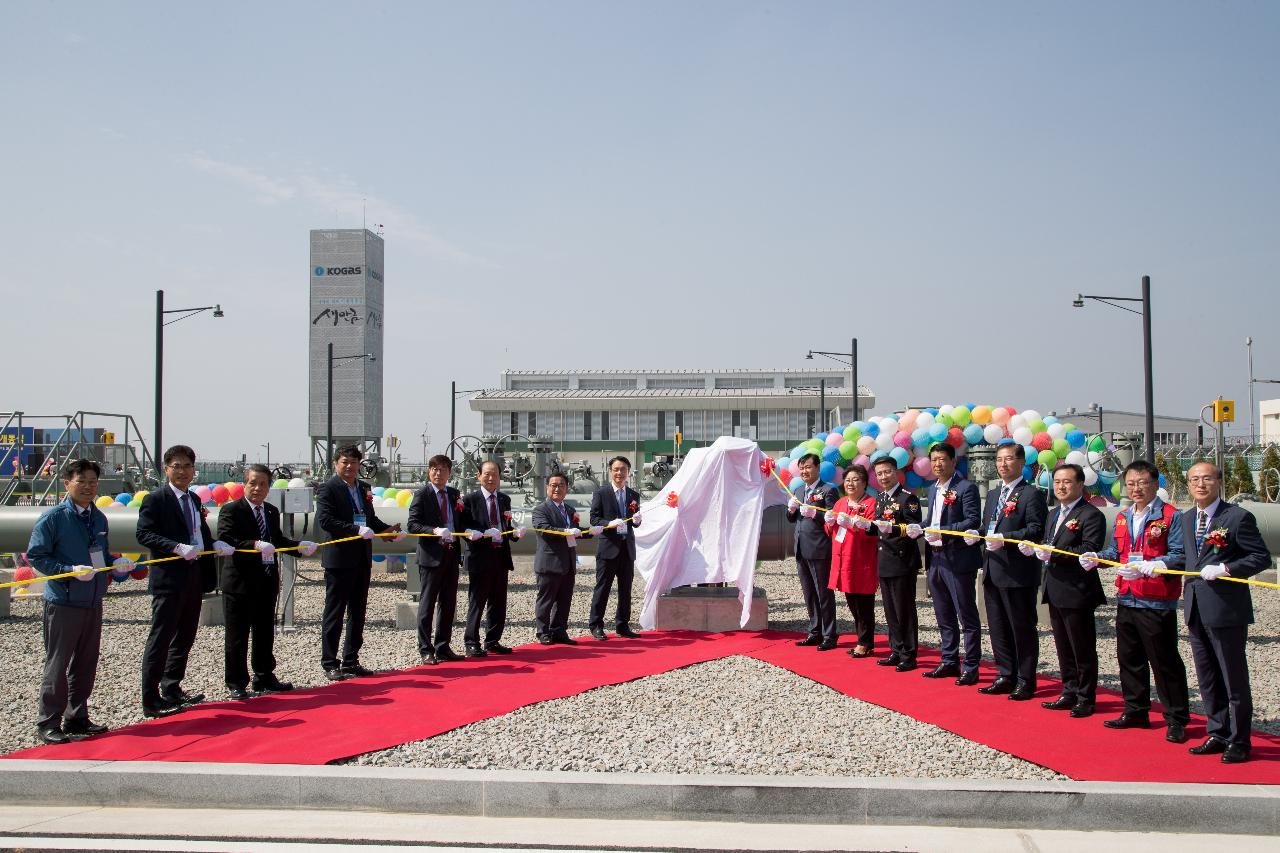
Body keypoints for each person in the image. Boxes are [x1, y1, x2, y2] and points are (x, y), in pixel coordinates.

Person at [1168, 462, 1271, 763]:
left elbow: (1260, 557)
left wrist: (1227, 568)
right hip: (1195, 606)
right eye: (1194, 479)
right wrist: (1161, 566)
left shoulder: (1237, 517)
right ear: (1188, 484)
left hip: (1226, 610)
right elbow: (1186, 559)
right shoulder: (1187, 519)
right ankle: (1217, 731)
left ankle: (1239, 740)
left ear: (1219, 481)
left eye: (1207, 478)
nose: (1200, 484)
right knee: (1208, 676)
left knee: (1233, 677)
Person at [1081, 460, 1190, 741]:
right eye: (1131, 483)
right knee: (1129, 659)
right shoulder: (1124, 515)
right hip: (1127, 597)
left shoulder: (1171, 516)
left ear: (1155, 485)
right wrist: (1097, 559)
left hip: (1156, 600)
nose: (1136, 488)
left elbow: (1180, 554)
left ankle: (1176, 718)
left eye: (1142, 482)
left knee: (1164, 661)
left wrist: (1159, 564)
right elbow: (1117, 552)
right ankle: (1136, 710)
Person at [26, 459, 134, 744]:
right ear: (67, 483)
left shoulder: (98, 518)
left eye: (92, 482)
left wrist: (115, 565)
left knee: (86, 662)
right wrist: (67, 572)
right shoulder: (54, 518)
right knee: (57, 663)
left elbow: (101, 554)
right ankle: (48, 721)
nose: (88, 487)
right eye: (81, 481)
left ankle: (77, 716)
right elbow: (36, 557)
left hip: (92, 600)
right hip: (64, 601)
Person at [136, 444, 229, 717]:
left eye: (187, 466)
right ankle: (150, 698)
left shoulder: (194, 500)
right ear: (166, 469)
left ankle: (172, 686)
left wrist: (215, 543)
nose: (182, 471)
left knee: (185, 636)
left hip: (193, 576)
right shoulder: (156, 499)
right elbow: (144, 534)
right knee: (161, 638)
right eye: (176, 466)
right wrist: (175, 547)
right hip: (168, 578)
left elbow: (197, 534)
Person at [216, 464, 317, 699]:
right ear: (244, 484)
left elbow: (277, 540)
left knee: (264, 632)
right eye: (253, 483)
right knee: (237, 635)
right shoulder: (231, 510)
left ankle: (264, 677)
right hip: (239, 583)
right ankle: (236, 682)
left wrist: (299, 547)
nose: (257, 488)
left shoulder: (270, 511)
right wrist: (254, 544)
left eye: (263, 484)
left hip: (266, 580)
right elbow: (227, 538)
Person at [314, 444, 402, 681]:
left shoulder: (363, 488)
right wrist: (355, 529)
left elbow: (370, 518)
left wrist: (387, 531)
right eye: (345, 462)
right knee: (334, 613)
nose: (350, 466)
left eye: (354, 462)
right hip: (339, 559)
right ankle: (330, 662)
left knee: (358, 612)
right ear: (336, 463)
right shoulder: (328, 489)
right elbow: (326, 521)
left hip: (362, 558)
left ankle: (351, 660)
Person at [1027, 463, 1105, 718]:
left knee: (1081, 646)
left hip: (1077, 589)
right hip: (1055, 586)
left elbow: (1089, 549)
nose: (1061, 486)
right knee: (1062, 645)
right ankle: (1069, 689)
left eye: (1067, 482)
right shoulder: (1053, 514)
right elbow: (1049, 543)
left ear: (1080, 485)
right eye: (1057, 482)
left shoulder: (1091, 514)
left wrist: (1055, 554)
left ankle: (1086, 696)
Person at [976, 444, 1046, 701]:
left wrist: (1006, 538)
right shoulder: (994, 495)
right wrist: (979, 534)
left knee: (1022, 628)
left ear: (1020, 462)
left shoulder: (1031, 494)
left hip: (1018, 572)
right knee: (997, 626)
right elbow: (987, 526)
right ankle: (1005, 674)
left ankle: (1026, 680)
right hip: (993, 569)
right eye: (999, 459)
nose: (1003, 464)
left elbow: (1036, 530)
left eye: (1008, 459)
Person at [915, 442, 983, 684]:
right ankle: (949, 660)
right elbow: (930, 519)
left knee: (966, 614)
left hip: (958, 558)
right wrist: (919, 527)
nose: (937, 464)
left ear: (953, 461)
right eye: (934, 459)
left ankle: (972, 665)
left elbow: (973, 521)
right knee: (943, 613)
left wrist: (942, 531)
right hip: (935, 558)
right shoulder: (933, 489)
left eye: (942, 459)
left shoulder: (966, 488)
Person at [407, 455, 469, 665]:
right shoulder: (422, 494)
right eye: (434, 469)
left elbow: (460, 521)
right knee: (427, 603)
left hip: (451, 555)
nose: (438, 473)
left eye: (442, 469)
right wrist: (434, 530)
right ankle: (426, 649)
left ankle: (443, 646)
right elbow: (413, 525)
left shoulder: (453, 494)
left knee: (448, 603)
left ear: (449, 473)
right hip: (431, 556)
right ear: (429, 471)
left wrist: (469, 531)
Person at [868, 456, 922, 671]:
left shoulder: (908, 498)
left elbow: (914, 529)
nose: (883, 477)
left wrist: (894, 528)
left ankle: (909, 654)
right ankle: (896, 649)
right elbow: (878, 529)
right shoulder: (880, 497)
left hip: (902, 560)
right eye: (879, 473)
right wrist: (863, 525)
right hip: (884, 560)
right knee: (890, 610)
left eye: (887, 472)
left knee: (904, 610)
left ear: (896, 472)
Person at [461, 460, 517, 657]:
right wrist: (475, 533)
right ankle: (471, 642)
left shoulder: (504, 499)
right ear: (479, 476)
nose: (491, 478)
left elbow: (507, 526)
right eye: (487, 474)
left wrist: (514, 533)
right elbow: (463, 527)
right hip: (479, 557)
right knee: (477, 601)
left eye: (495, 474)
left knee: (498, 601)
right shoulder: (469, 500)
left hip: (500, 556)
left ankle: (492, 640)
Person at [786, 453, 840, 651]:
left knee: (823, 594)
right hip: (801, 548)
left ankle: (829, 634)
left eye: (808, 467)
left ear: (817, 468)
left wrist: (815, 513)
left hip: (819, 549)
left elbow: (832, 517)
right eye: (801, 468)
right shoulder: (799, 490)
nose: (804, 471)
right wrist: (790, 510)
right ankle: (815, 631)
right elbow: (792, 520)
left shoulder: (828, 490)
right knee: (809, 593)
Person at [533, 472, 595, 644]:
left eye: (561, 485)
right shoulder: (540, 509)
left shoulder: (569, 509)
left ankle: (559, 630)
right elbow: (544, 528)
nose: (557, 488)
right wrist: (566, 531)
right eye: (553, 485)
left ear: (567, 489)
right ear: (547, 487)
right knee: (546, 600)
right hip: (549, 562)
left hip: (568, 562)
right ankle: (543, 632)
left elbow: (575, 530)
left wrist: (590, 531)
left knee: (564, 600)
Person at [825, 465, 879, 658]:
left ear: (864, 483)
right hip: (842, 560)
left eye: (855, 479)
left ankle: (865, 642)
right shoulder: (840, 503)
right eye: (848, 480)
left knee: (864, 604)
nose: (850, 483)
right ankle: (862, 639)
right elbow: (831, 532)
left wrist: (856, 525)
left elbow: (874, 533)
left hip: (861, 559)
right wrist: (829, 522)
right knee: (852, 602)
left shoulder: (872, 503)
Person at [588, 456, 643, 640]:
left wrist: (637, 520)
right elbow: (594, 519)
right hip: (608, 548)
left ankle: (622, 624)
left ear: (628, 472)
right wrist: (609, 523)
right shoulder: (601, 493)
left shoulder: (633, 495)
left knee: (625, 589)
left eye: (623, 469)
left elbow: (634, 522)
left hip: (627, 549)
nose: (619, 473)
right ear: (610, 471)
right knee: (602, 588)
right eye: (616, 469)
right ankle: (596, 625)